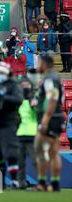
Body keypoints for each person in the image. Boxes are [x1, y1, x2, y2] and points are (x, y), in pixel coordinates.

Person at [0, 62, 24, 189]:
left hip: (9, 122)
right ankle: (1, 183)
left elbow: (18, 100)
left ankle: (14, 180)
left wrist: (4, 98)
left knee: (11, 152)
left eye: (1, 73)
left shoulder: (13, 85)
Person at [34, 54, 64, 191]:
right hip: (57, 117)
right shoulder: (56, 77)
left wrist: (45, 121)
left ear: (45, 64)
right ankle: (55, 184)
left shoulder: (49, 78)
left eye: (38, 63)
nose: (37, 65)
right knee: (54, 152)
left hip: (50, 119)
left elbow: (52, 99)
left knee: (40, 149)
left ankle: (41, 183)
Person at [17, 77, 38, 189]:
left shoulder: (35, 99)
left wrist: (36, 105)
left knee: (36, 160)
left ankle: (41, 182)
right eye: (23, 85)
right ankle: (21, 183)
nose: (25, 87)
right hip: (20, 134)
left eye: (27, 85)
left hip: (32, 134)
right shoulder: (17, 100)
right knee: (20, 162)